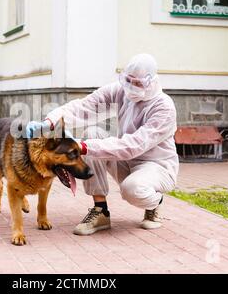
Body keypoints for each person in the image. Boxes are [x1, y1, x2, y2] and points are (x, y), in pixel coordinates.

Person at [25, 54, 179, 235]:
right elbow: (84, 107)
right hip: (126, 161)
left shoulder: (163, 107)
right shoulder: (121, 91)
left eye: (137, 83)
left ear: (151, 81)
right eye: (128, 80)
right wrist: (51, 121)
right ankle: (100, 211)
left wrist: (82, 147)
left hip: (156, 166)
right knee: (91, 134)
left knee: (132, 189)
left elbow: (134, 145)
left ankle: (155, 202)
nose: (131, 87)